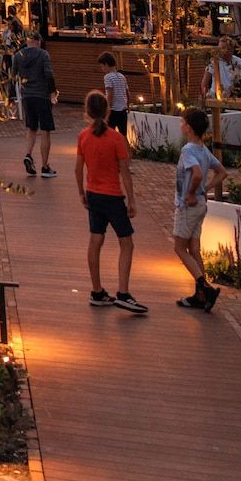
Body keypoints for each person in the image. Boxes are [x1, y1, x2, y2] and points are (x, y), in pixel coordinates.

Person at [78, 89, 146, 313]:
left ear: (87, 111)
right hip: (113, 196)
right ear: (107, 110)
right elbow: (125, 172)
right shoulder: (116, 138)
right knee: (126, 242)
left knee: (95, 241)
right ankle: (123, 293)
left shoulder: (83, 137)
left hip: (94, 195)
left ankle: (96, 290)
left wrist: (82, 193)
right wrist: (132, 200)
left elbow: (79, 169)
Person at [172, 106, 226, 310]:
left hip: (188, 206)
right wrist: (205, 189)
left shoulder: (188, 151)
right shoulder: (203, 150)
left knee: (179, 247)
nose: (181, 124)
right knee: (194, 248)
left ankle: (205, 288)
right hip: (201, 206)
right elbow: (222, 172)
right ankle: (201, 295)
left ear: (190, 128)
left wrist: (192, 192)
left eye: (183, 122)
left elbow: (196, 174)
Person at [11, 26, 58, 178]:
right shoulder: (43, 54)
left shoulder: (18, 56)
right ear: (38, 41)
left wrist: (10, 96)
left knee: (31, 128)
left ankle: (28, 154)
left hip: (27, 96)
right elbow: (49, 74)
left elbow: (12, 78)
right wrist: (52, 91)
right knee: (45, 130)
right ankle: (45, 166)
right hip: (42, 94)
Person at [201, 37, 241, 103]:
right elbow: (204, 83)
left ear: (230, 50)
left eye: (222, 48)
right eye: (219, 48)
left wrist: (233, 90)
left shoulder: (239, 62)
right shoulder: (213, 62)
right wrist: (206, 98)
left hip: (234, 98)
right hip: (215, 98)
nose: (219, 50)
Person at [98, 52, 130, 143]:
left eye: (102, 66)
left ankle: (110, 154)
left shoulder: (108, 77)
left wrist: (107, 111)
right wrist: (127, 105)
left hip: (113, 110)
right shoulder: (122, 76)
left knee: (108, 134)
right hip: (123, 109)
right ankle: (128, 155)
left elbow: (109, 94)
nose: (102, 69)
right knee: (123, 135)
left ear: (106, 64)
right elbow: (127, 92)